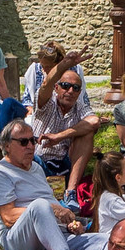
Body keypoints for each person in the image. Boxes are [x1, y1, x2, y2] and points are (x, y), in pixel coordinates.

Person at [0, 120, 75, 250]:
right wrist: (51, 210)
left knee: (101, 241)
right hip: (18, 239)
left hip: (57, 233)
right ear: (7, 146)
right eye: (23, 142)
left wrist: (70, 223)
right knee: (40, 205)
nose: (30, 146)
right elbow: (8, 217)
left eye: (33, 141)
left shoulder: (37, 169)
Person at [30, 64, 100, 196]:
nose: (70, 91)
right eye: (65, 86)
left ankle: (71, 192)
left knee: (87, 133)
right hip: (39, 161)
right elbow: (45, 86)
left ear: (79, 92)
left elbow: (94, 121)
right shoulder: (47, 103)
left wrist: (59, 136)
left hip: (65, 163)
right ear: (56, 88)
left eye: (76, 88)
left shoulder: (80, 107)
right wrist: (66, 63)